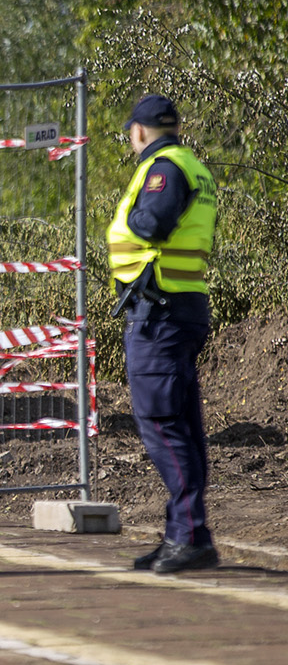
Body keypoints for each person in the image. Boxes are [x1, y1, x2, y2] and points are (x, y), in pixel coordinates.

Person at [110, 93, 219, 573]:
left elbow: (151, 224)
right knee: (180, 425)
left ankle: (189, 535)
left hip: (160, 313)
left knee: (162, 425)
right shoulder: (191, 164)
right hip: (179, 306)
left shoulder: (164, 169)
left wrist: (131, 218)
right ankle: (187, 534)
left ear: (138, 132)